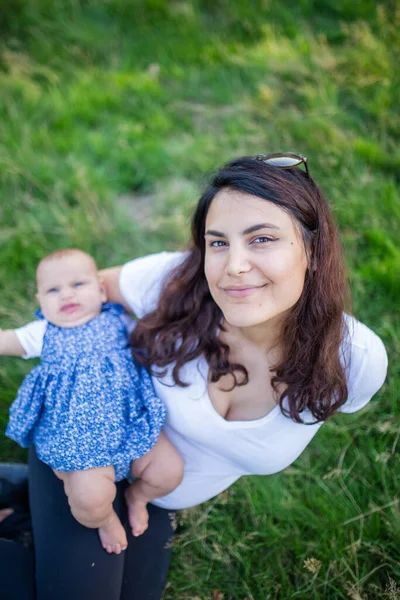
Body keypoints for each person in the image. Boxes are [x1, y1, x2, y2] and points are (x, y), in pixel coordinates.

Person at [1, 153, 388, 600]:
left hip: (153, 488)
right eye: (218, 243)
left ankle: (18, 493)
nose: (234, 266)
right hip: (86, 438)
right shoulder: (173, 282)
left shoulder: (354, 361)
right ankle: (42, 484)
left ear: (313, 252)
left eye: (261, 239)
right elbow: (82, 289)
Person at [1, 248, 183, 555]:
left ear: (101, 291)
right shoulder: (43, 332)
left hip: (128, 421)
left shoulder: (119, 320)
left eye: (77, 285)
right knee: (88, 501)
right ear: (41, 303)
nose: (66, 295)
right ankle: (105, 519)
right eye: (53, 290)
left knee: (169, 472)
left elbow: (157, 336)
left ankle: (137, 497)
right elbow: (6, 340)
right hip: (78, 438)